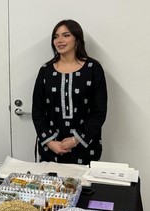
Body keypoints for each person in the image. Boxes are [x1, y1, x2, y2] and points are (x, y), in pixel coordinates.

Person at [32, 19, 107, 165]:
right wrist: (50, 142)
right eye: (56, 36)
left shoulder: (93, 69)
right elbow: (37, 110)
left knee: (84, 187)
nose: (59, 40)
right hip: (51, 146)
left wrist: (75, 140)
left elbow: (99, 111)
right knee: (50, 186)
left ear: (77, 39)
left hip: (85, 145)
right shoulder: (45, 71)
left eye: (66, 35)